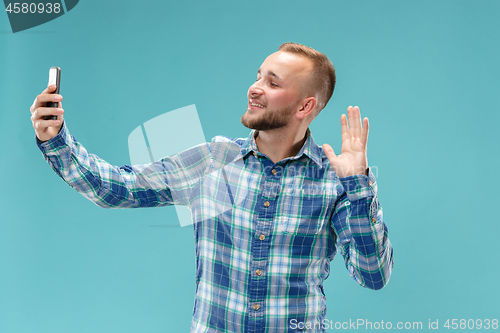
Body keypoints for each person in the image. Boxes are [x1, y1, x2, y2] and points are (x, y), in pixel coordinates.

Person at [30, 42, 394, 333]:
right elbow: (117, 189)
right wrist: (56, 139)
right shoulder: (212, 161)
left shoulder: (337, 181)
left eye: (273, 83)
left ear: (306, 105)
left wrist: (358, 186)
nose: (255, 88)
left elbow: (373, 275)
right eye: (258, 76)